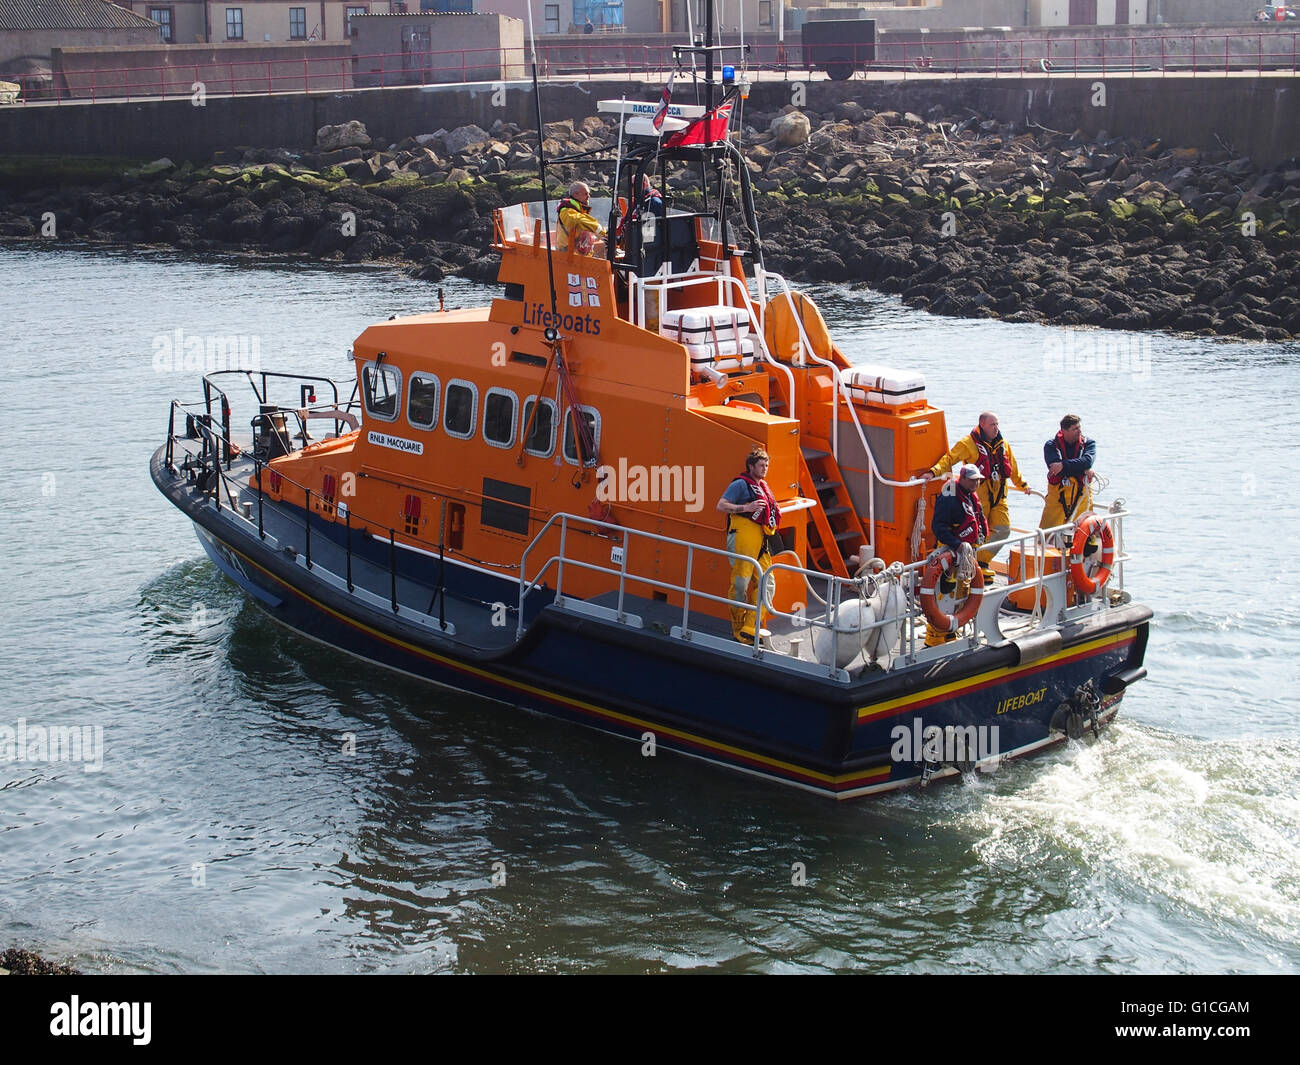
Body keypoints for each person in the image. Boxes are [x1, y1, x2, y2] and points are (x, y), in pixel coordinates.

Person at [923, 411, 1030, 585]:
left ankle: (979, 560)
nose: (996, 428)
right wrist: (933, 472)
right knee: (974, 532)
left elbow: (1013, 467)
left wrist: (1023, 485)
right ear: (982, 425)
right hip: (978, 498)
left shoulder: (1003, 445)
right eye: (992, 425)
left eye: (997, 424)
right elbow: (950, 459)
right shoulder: (968, 443)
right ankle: (967, 566)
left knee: (1003, 529)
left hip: (999, 498)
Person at [717, 447, 781, 643]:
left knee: (768, 584)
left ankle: (750, 626)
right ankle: (738, 630)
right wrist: (746, 507)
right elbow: (720, 505)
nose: (765, 468)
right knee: (740, 585)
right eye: (761, 465)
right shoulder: (740, 485)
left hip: (761, 542)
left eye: (767, 465)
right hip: (743, 538)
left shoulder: (764, 487)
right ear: (751, 466)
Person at [925, 462, 989, 646]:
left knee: (962, 592)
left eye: (978, 480)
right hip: (948, 552)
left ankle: (952, 631)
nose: (976, 484)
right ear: (964, 479)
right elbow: (938, 526)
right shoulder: (949, 496)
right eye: (973, 480)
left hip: (966, 554)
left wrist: (980, 536)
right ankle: (935, 637)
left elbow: (978, 517)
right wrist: (956, 545)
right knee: (943, 593)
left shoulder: (970, 495)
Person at [1039, 413, 1095, 538]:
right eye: (1075, 429)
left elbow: (1087, 461)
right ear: (1064, 431)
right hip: (1057, 499)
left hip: (1081, 497)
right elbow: (1054, 468)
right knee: (1048, 536)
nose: (1079, 431)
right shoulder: (1051, 446)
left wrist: (1063, 465)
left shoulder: (1088, 443)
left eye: (1079, 428)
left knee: (1082, 534)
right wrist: (1081, 469)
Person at [557, 181, 605, 256]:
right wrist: (602, 232)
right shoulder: (566, 211)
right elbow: (578, 220)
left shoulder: (578, 210)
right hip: (569, 257)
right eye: (585, 193)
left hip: (580, 256)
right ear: (575, 195)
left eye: (588, 193)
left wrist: (599, 236)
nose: (588, 196)